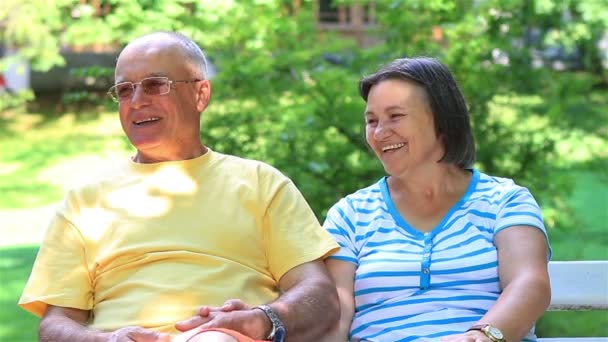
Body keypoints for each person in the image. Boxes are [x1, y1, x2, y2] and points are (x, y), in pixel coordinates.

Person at [18, 31, 340, 342]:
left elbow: (319, 294)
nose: (137, 101)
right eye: (125, 90)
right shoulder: (85, 202)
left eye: (155, 85)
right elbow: (55, 324)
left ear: (200, 94)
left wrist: (261, 320)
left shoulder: (260, 183)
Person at [322, 57, 551, 342]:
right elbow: (336, 311)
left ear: (442, 119)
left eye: (396, 116)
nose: (380, 133)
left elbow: (529, 283)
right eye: (371, 121)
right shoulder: (350, 215)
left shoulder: (505, 200)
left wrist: (479, 338)